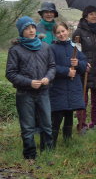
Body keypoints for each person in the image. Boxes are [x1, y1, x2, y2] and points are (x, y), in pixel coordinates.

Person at [6, 16, 56, 160]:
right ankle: (30, 156)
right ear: (21, 31)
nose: (31, 30)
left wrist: (48, 77)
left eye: (33, 27)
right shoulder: (15, 50)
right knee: (27, 126)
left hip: (43, 92)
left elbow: (52, 66)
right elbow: (10, 73)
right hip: (25, 93)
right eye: (27, 28)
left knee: (47, 124)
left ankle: (48, 152)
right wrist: (29, 82)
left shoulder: (45, 46)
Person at [72, 5, 96, 133]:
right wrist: (82, 64)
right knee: (82, 99)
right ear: (86, 16)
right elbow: (75, 51)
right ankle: (81, 125)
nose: (94, 16)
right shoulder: (79, 31)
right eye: (91, 14)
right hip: (84, 69)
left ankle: (95, 124)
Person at [49, 22, 87, 147]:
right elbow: (50, 67)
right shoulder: (52, 48)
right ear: (55, 35)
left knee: (69, 113)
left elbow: (84, 63)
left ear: (68, 31)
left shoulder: (74, 47)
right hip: (58, 88)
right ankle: (51, 143)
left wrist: (78, 64)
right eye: (58, 32)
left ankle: (67, 141)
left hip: (72, 87)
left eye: (63, 31)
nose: (61, 34)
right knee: (57, 115)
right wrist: (66, 71)